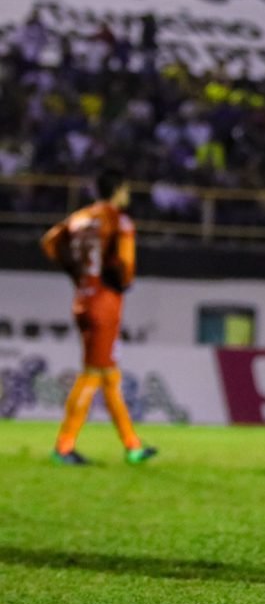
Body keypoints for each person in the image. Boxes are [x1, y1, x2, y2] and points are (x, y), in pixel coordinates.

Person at [40, 168, 158, 466]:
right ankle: (64, 447)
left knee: (109, 376)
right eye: (126, 190)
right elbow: (126, 265)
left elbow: (50, 242)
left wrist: (78, 274)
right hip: (104, 304)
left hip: (83, 298)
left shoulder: (80, 217)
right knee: (92, 374)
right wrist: (121, 282)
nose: (127, 195)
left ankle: (132, 446)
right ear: (118, 190)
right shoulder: (119, 220)